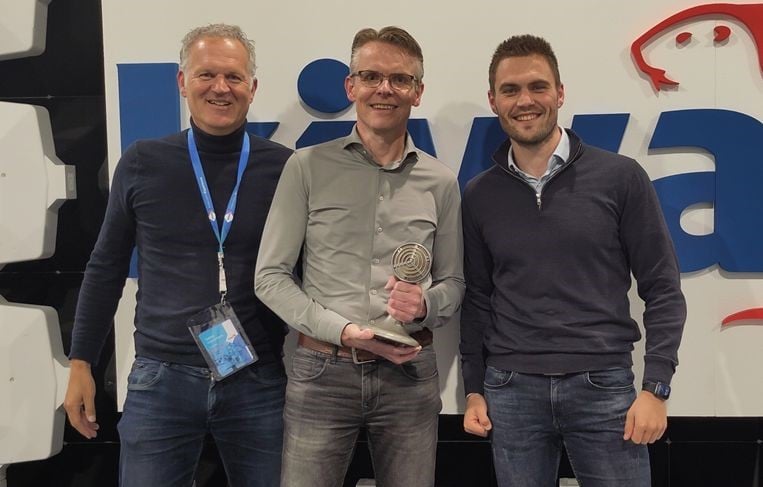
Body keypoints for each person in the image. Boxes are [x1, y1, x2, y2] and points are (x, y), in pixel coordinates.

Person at [63, 24, 292, 487]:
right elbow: (106, 267)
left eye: (233, 76)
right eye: (207, 74)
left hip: (258, 378)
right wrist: (81, 362)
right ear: (183, 82)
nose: (220, 87)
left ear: (252, 88)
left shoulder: (286, 167)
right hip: (160, 379)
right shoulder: (142, 161)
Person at [460, 34, 686, 486]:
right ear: (493, 101)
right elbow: (478, 298)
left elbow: (662, 288)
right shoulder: (479, 194)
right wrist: (473, 390)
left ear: (560, 93)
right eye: (510, 90)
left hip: (603, 386)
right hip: (510, 390)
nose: (525, 100)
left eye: (538, 86)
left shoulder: (620, 177)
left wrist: (656, 387)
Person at [255, 26, 464, 487]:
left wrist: (426, 305)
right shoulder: (306, 166)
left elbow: (454, 283)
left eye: (400, 79)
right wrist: (343, 332)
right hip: (323, 372)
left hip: (409, 373)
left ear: (417, 92)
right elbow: (270, 277)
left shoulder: (441, 182)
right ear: (351, 87)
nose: (384, 88)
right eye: (370, 76)